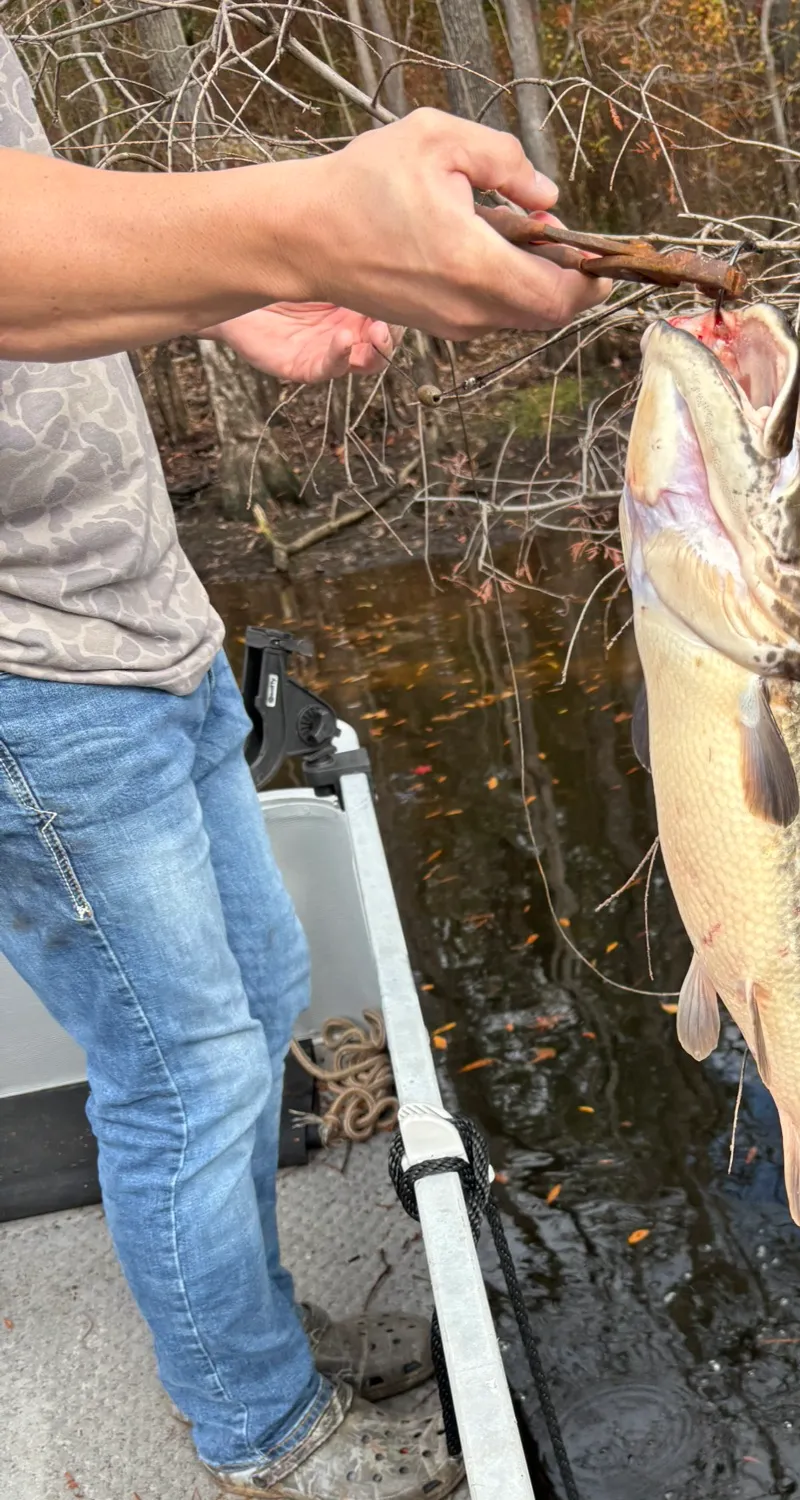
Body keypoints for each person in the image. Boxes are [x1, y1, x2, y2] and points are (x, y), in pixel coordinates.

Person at [0, 28, 608, 1500]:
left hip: (145, 615)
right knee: (189, 1071)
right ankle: (258, 1431)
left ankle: (242, 1329)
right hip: (37, 682)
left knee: (262, 989)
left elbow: (33, 233)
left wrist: (224, 298)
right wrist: (293, 217)